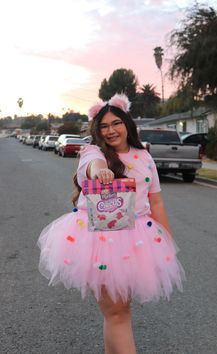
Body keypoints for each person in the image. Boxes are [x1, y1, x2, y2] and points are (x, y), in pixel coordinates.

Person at [37, 93, 185, 354]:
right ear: (97, 130)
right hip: (100, 240)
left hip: (138, 238)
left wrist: (168, 244)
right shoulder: (93, 152)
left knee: (119, 313)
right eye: (103, 126)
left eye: (116, 123)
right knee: (117, 313)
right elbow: (92, 166)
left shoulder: (144, 156)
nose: (110, 130)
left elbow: (157, 202)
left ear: (127, 123)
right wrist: (100, 171)